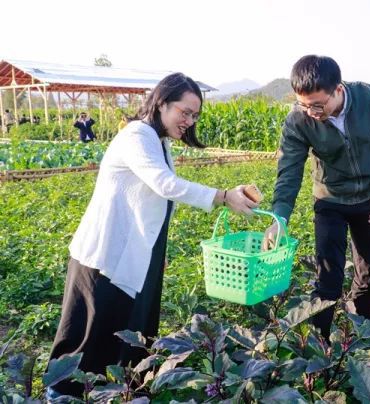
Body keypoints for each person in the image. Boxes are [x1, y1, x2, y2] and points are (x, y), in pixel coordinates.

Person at [46, 73, 259, 399]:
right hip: (105, 250)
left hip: (136, 249)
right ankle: (61, 394)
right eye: (184, 111)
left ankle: (128, 390)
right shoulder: (137, 135)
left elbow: (154, 201)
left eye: (195, 115)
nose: (189, 120)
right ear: (161, 103)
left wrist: (157, 249)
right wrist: (223, 195)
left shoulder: (157, 141)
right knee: (90, 330)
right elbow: (165, 184)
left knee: (132, 328)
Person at [264, 55, 370, 340]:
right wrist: (280, 218)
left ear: (338, 90)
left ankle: (356, 332)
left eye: (317, 105)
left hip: (369, 200)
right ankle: (318, 343)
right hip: (330, 200)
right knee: (328, 280)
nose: (311, 112)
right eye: (303, 104)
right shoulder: (298, 120)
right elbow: (289, 171)